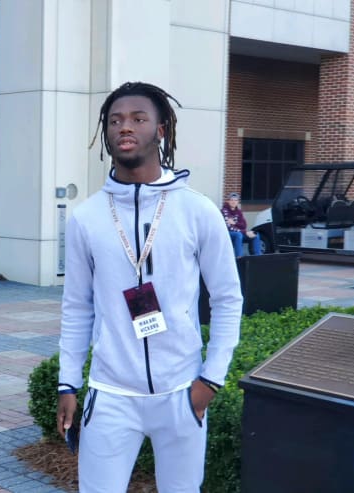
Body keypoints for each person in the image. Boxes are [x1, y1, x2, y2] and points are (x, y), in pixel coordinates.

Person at [56, 81, 243, 493]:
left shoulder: (197, 210)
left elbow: (229, 298)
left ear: (160, 131)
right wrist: (68, 382)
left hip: (181, 392)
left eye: (139, 119)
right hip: (111, 394)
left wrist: (209, 382)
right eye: (116, 120)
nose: (126, 127)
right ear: (106, 133)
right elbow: (76, 307)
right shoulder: (86, 218)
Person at [221, 192, 262, 257]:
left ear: (237, 202)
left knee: (255, 234)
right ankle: (239, 258)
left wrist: (235, 223)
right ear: (228, 201)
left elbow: (244, 225)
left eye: (235, 200)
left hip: (239, 232)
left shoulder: (238, 212)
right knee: (238, 235)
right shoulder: (224, 211)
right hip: (227, 233)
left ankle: (258, 257)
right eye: (232, 200)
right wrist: (245, 232)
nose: (233, 202)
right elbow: (229, 227)